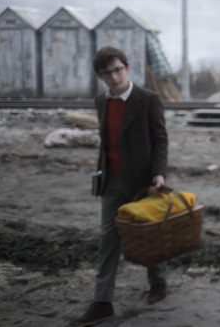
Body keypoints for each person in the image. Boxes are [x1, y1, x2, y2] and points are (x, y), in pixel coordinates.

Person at [71, 46, 169, 326]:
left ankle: (158, 283)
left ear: (126, 67)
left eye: (118, 70)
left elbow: (160, 139)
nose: (114, 77)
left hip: (144, 182)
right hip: (112, 182)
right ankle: (102, 302)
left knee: (149, 235)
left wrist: (159, 175)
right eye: (107, 73)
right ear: (100, 77)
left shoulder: (148, 99)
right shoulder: (101, 101)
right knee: (108, 240)